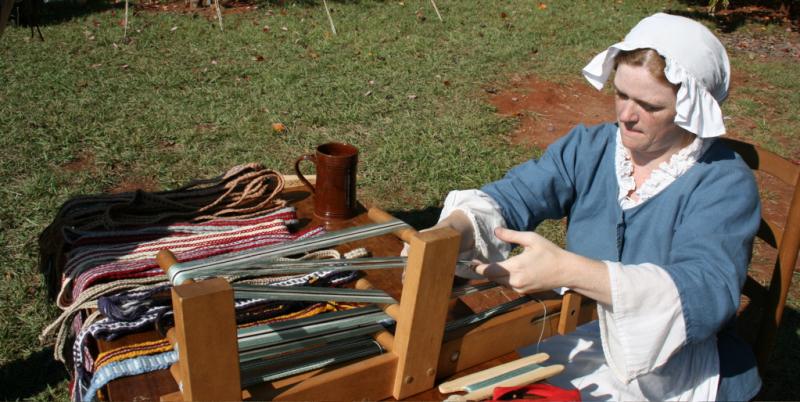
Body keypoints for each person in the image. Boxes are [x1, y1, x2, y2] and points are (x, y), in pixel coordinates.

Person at [426, 13, 761, 401]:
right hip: (588, 337)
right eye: (621, 95)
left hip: (680, 368)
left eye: (649, 105)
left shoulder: (722, 182)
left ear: (689, 107)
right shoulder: (592, 147)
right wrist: (453, 229)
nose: (626, 116)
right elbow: (514, 195)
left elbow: (704, 295)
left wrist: (571, 269)